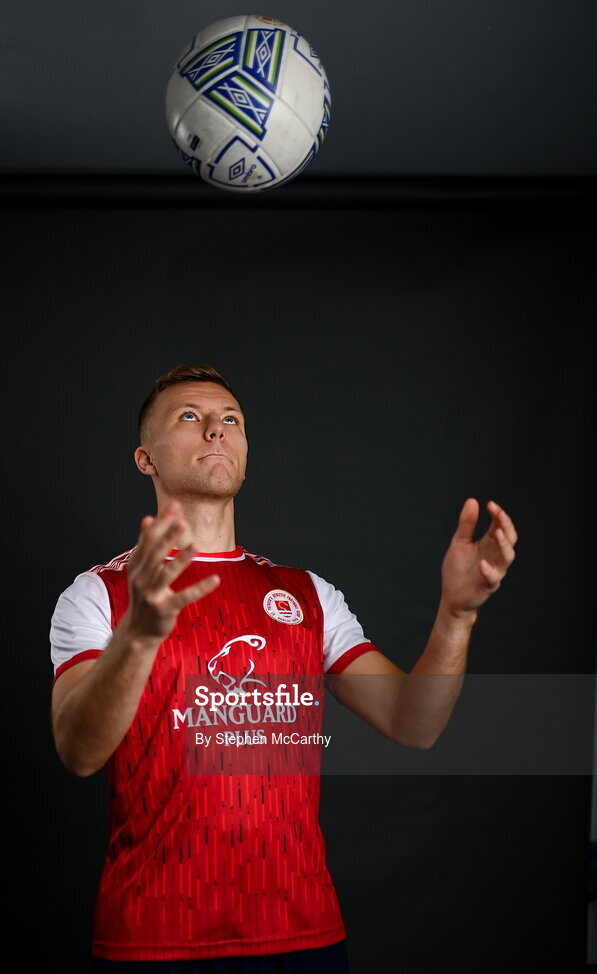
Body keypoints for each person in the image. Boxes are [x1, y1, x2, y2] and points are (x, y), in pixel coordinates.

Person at [49, 364, 518, 973]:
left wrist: (456, 616)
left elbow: (415, 723)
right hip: (154, 936)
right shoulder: (98, 594)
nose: (216, 430)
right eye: (190, 417)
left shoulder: (307, 594)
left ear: (245, 449)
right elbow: (80, 752)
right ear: (146, 459)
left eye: (231, 420)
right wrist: (139, 636)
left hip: (303, 937)